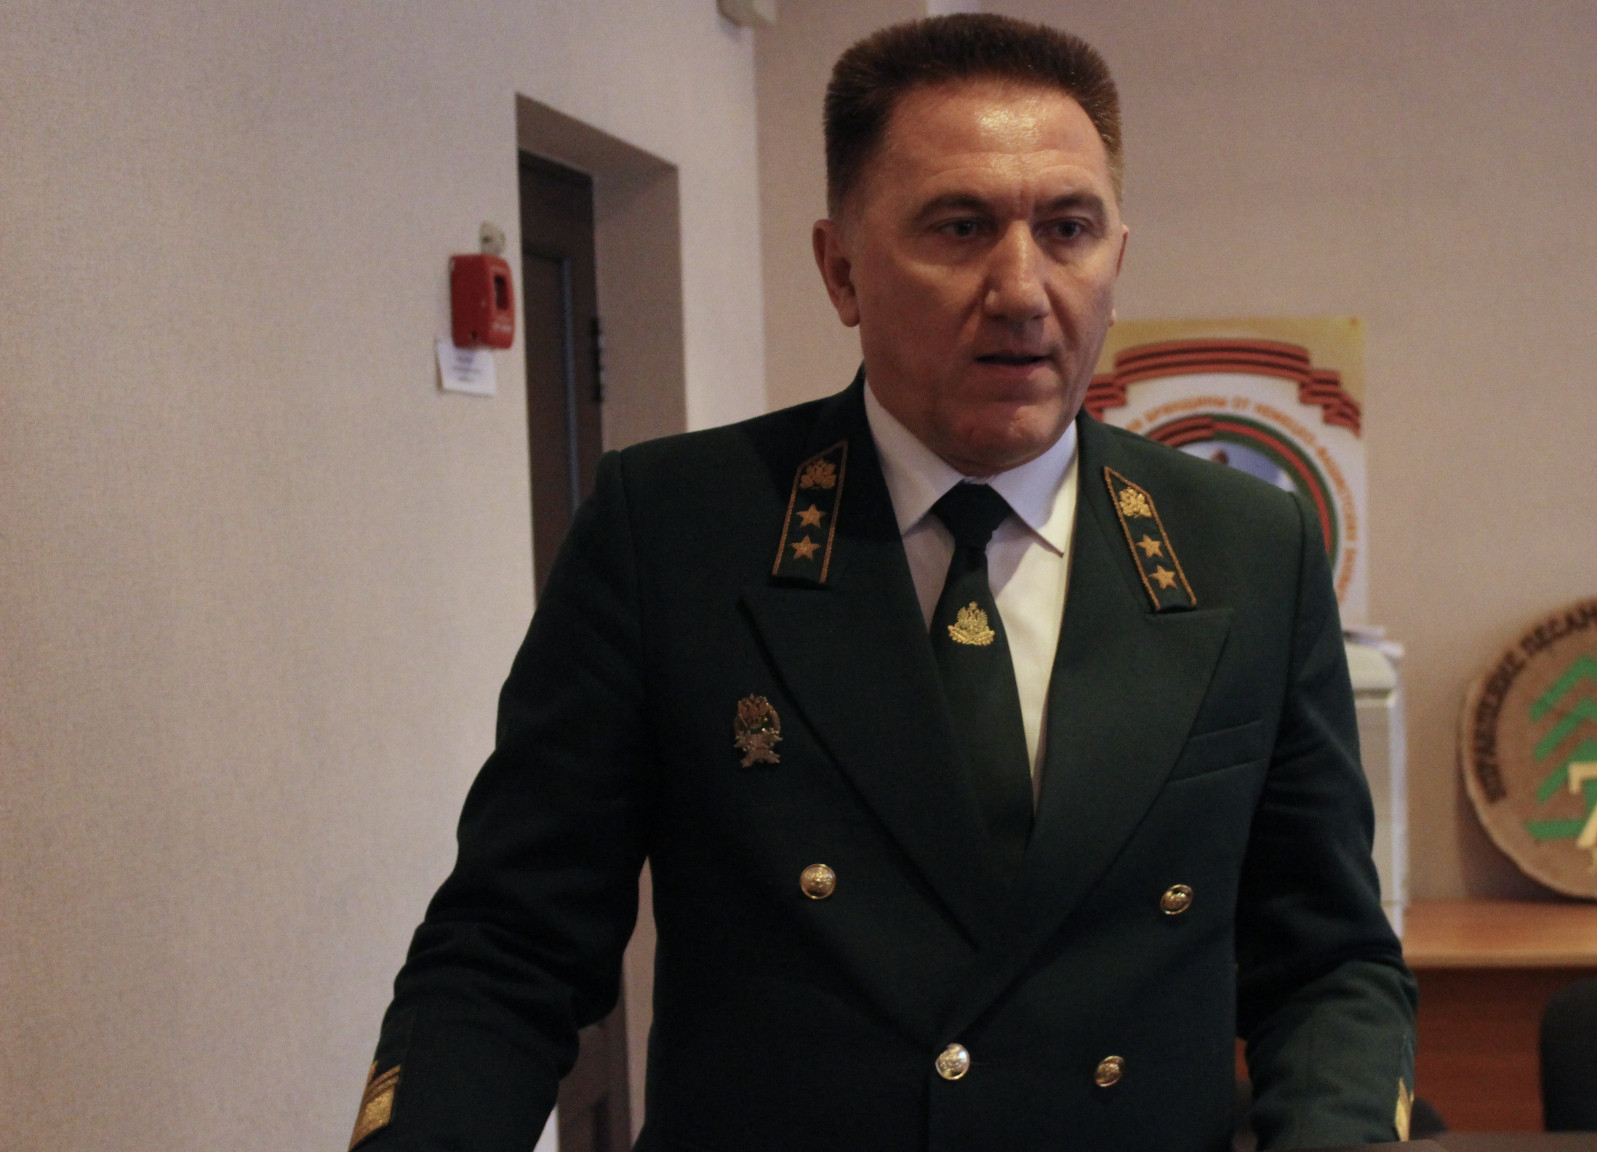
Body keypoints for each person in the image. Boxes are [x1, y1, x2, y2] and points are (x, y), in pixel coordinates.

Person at [349, 14, 1414, 1152]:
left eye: (1068, 229)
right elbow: (510, 948)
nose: (1023, 288)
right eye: (960, 227)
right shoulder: (674, 530)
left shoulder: (1246, 547)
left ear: (1115, 256)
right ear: (841, 268)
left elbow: (1329, 964)